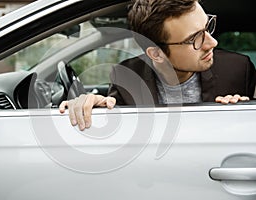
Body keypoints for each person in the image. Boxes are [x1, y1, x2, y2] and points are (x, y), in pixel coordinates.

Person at [59, 0, 256, 130]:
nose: (212, 43)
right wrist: (87, 107)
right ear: (156, 54)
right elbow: (113, 123)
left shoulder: (239, 69)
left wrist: (244, 112)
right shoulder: (126, 76)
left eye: (207, 27)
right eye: (195, 39)